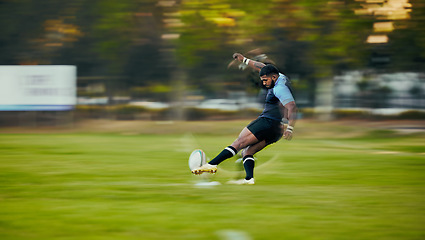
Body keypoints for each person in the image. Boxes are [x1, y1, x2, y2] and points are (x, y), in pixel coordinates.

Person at [191, 52, 297, 185]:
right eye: (262, 80)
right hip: (277, 131)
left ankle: (211, 165)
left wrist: (291, 128)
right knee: (248, 152)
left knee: (239, 142)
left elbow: (292, 106)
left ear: (274, 77)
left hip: (268, 122)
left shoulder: (280, 88)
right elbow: (260, 66)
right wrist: (244, 60)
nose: (264, 83)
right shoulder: (280, 77)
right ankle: (249, 179)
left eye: (265, 80)